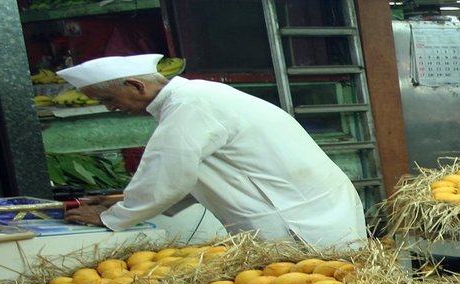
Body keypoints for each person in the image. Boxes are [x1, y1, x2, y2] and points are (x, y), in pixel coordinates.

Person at [58, 54, 368, 248]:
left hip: (298, 219)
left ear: (136, 86)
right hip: (312, 208)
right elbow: (191, 176)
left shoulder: (188, 105)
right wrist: (122, 200)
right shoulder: (196, 95)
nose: (111, 108)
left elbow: (167, 174)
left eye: (109, 100)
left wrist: (113, 218)